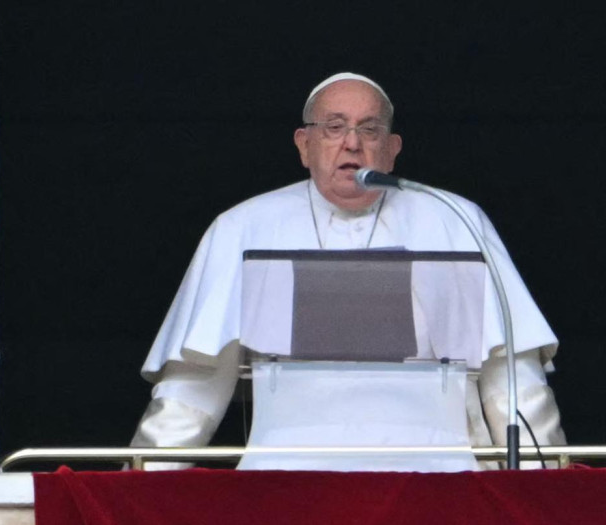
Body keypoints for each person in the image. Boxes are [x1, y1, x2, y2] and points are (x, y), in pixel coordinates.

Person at [130, 72, 566, 470]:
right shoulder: (243, 227)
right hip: (285, 475)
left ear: (392, 150)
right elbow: (196, 385)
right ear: (304, 145)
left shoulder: (454, 218)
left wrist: (542, 488)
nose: (352, 143)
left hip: (437, 470)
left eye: (369, 129)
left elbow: (511, 378)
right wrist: (140, 488)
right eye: (334, 127)